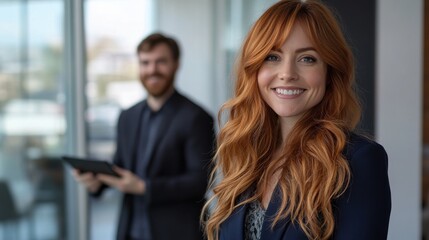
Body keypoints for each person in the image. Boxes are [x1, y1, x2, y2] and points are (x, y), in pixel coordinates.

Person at [202, 1, 391, 240]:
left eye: (307, 59)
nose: (287, 73)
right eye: (272, 56)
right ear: (254, 69)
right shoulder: (245, 154)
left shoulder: (359, 160)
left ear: (329, 72)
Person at [73, 33, 215, 240]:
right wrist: (97, 184)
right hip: (131, 231)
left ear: (176, 64)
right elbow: (120, 167)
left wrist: (144, 187)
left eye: (161, 62)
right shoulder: (127, 116)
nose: (152, 70)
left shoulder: (197, 118)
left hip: (178, 232)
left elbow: (199, 182)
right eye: (145, 62)